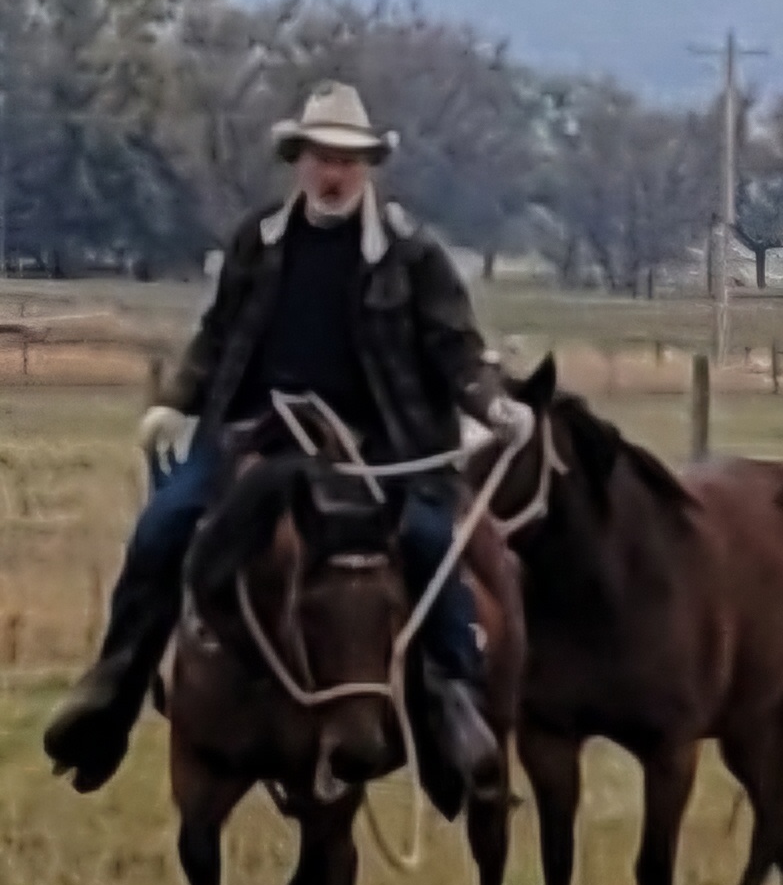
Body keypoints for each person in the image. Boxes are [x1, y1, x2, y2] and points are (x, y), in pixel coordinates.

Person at [43, 81, 533, 795]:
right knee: (164, 524)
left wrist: (492, 406)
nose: (332, 172)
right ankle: (115, 684)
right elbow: (219, 335)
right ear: (299, 161)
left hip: (380, 443)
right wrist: (179, 403)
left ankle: (451, 697)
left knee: (429, 539)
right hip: (257, 432)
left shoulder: (410, 254)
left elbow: (455, 345)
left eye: (347, 159)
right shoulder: (259, 242)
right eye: (320, 157)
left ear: (367, 166)